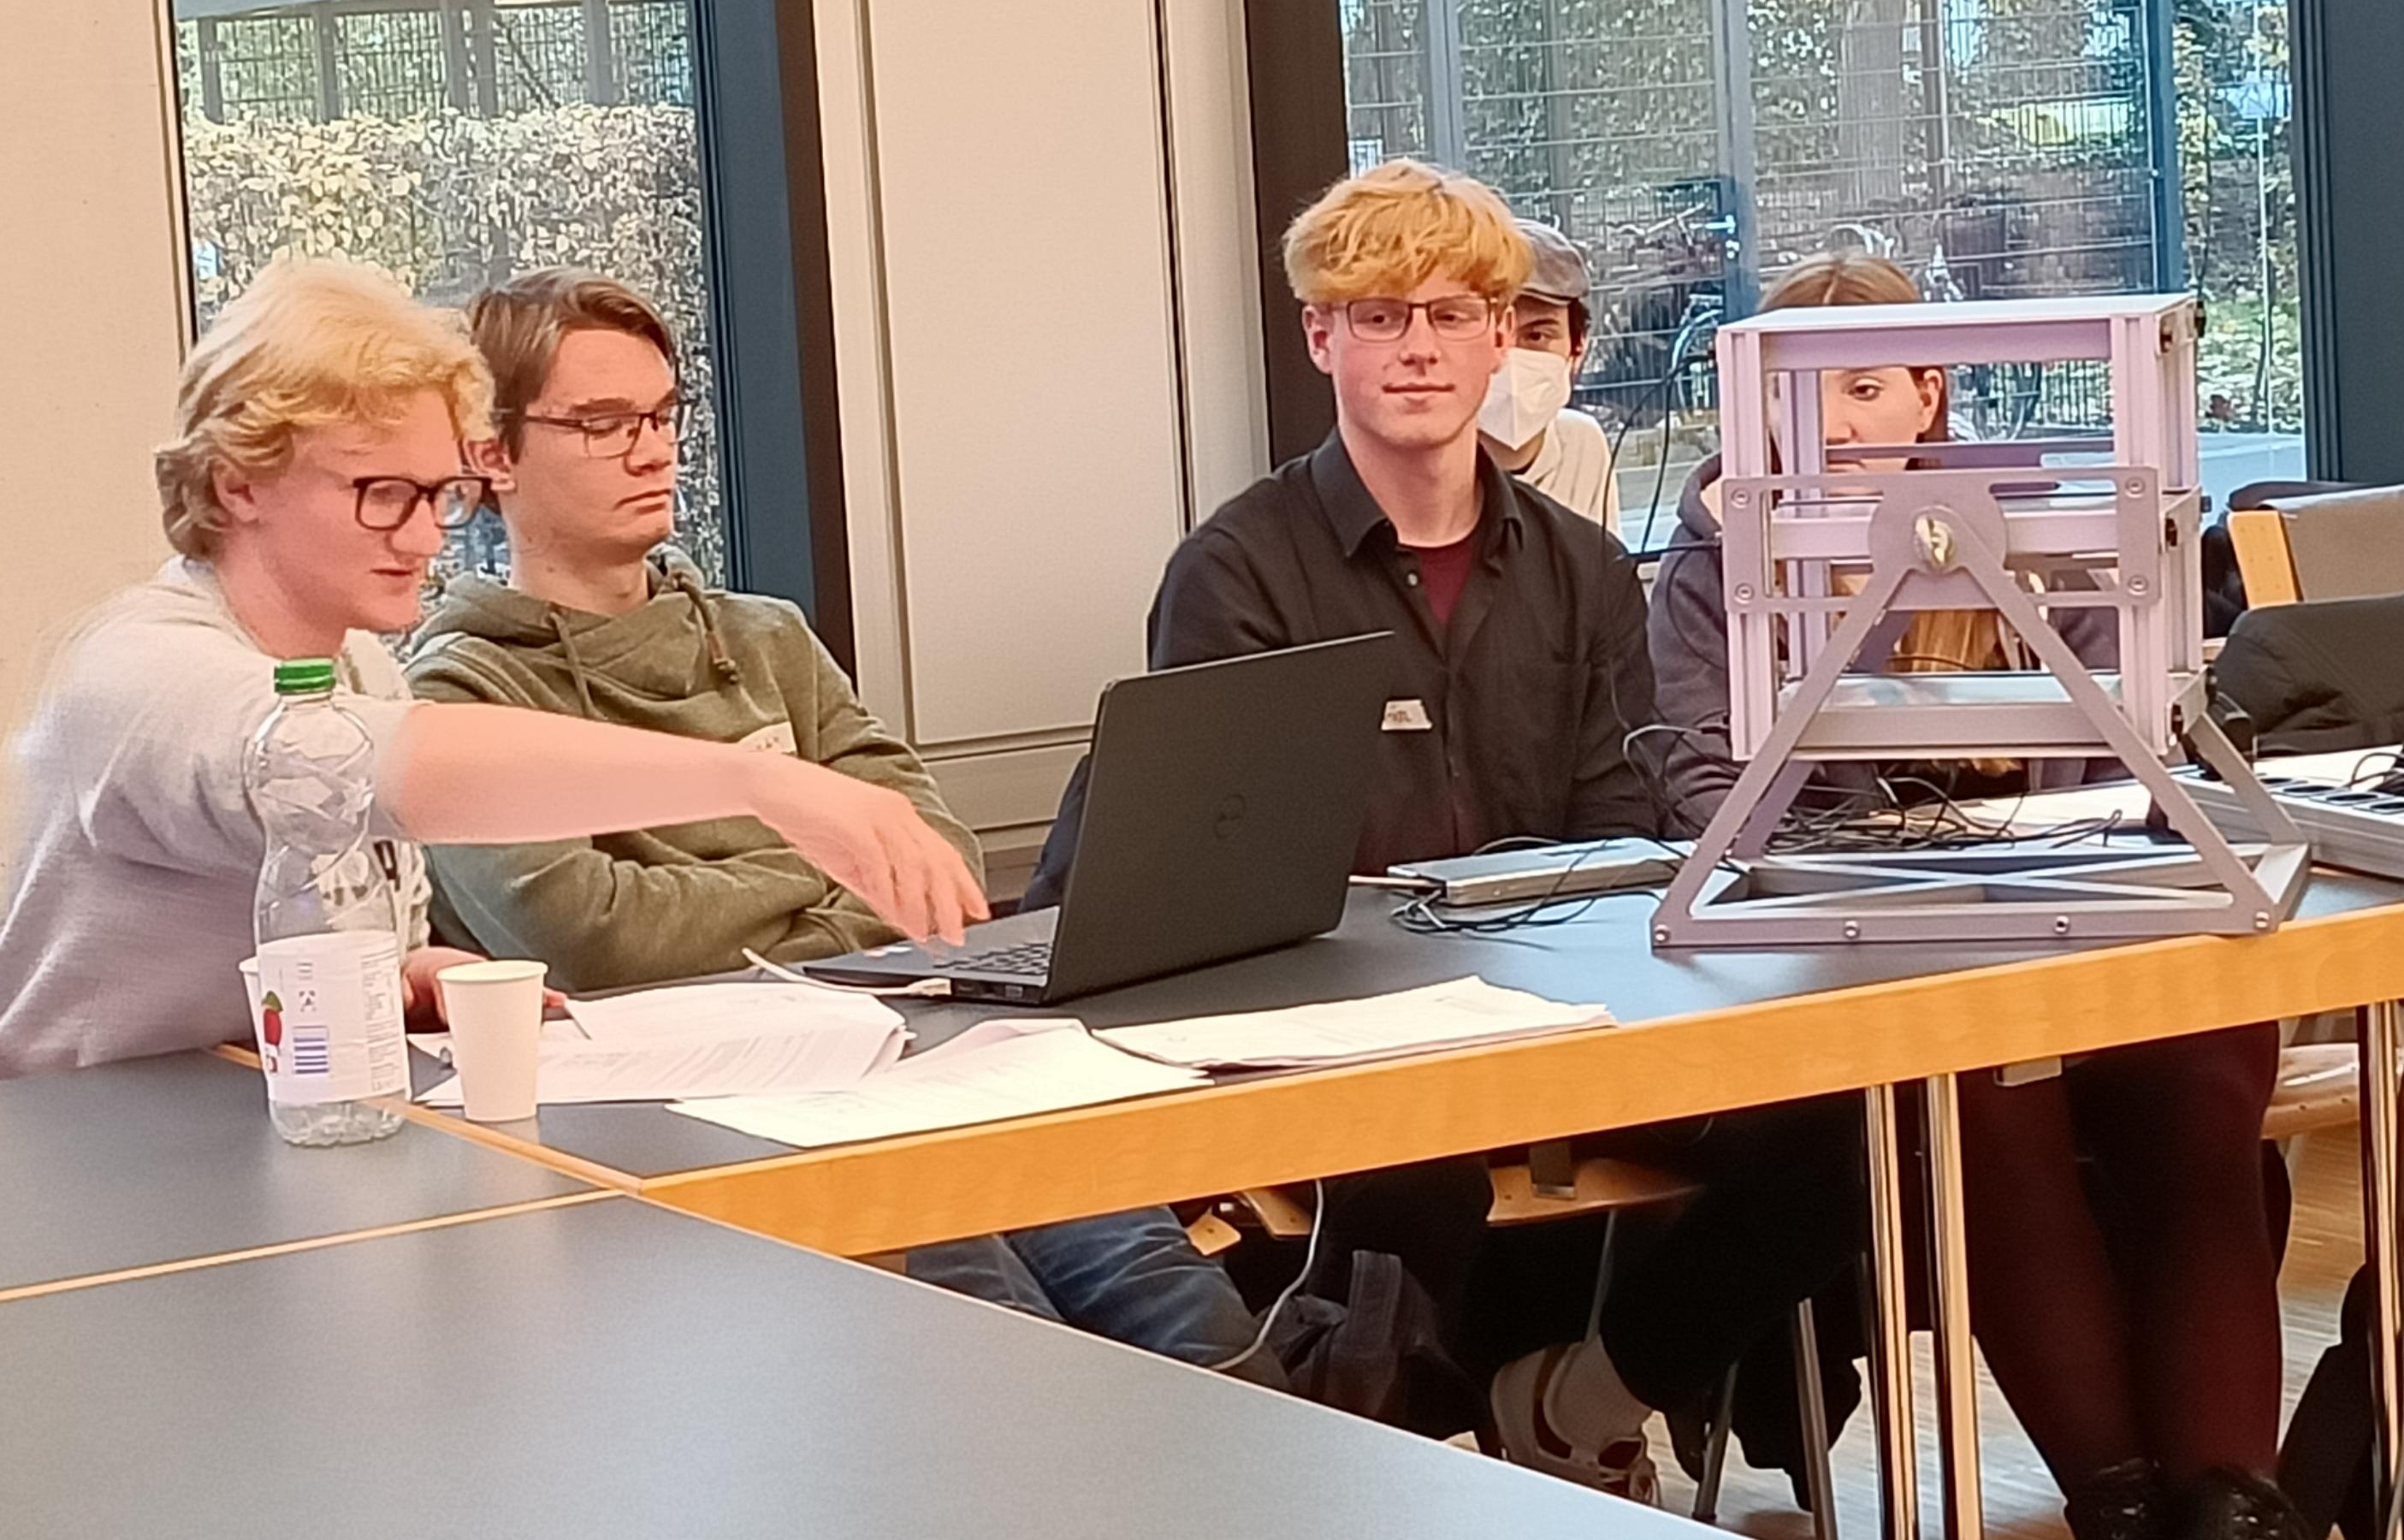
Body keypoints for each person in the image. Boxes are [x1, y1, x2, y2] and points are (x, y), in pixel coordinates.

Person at [1027, 160, 1791, 1471]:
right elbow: (1243, 866)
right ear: (1320, 336)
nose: (1418, 347)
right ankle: (1393, 1471)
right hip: (1341, 1032)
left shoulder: (1582, 562)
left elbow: (1614, 820)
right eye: (1378, 315)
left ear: (1503, 333)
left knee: (1832, 1114)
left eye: (1450, 313)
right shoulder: (1238, 569)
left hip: (1556, 1009)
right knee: (1414, 1178)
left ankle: (1575, 1404)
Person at [401, 268, 1282, 1384]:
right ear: (492, 453)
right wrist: (813, 857)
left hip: (926, 1061)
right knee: (1012, 1367)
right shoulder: (459, 695)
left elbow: (940, 862)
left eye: (665, 414)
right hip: (726, 1119)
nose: (654, 450)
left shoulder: (764, 637)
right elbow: (595, 935)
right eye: (603, 422)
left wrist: (775, 875)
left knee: (1202, 1335)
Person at [0, 259, 983, 1090]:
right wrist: (764, 781)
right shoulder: (144, 669)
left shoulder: (361, 661)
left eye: (438, 493)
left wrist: (402, 977)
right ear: (238, 482)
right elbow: (345, 767)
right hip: (70, 1165)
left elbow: (286, 944)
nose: (423, 533)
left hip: (245, 1136)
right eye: (380, 492)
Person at [1647, 252, 2300, 1540]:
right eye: (1797, 396)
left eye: (1865, 389)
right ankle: (2114, 1499)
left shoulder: (2047, 524)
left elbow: (2135, 735)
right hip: (1885, 956)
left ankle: (2229, 1507)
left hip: (2095, 914)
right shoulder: (1714, 561)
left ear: (1927, 398)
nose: (1829, 424)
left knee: (2207, 1091)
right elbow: (1698, 778)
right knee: (1988, 1101)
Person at [1476, 220, 1614, 527]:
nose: (1510, 357)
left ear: (1578, 348)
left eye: (1536, 336)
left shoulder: (1582, 447)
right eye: (1495, 335)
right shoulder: (1426, 468)